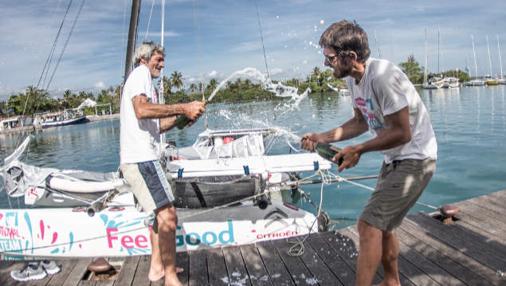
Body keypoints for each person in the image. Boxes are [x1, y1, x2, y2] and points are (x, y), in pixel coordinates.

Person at [301, 20, 437, 286]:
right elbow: (360, 122)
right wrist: (322, 137)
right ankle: (391, 281)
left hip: (417, 158)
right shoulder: (354, 80)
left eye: (329, 58)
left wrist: (360, 149)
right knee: (383, 225)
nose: (325, 64)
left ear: (350, 57)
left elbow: (402, 132)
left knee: (368, 225)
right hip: (395, 159)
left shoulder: (383, 76)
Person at [120, 41, 205, 286]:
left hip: (142, 157)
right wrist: (183, 106)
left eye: (163, 60)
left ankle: (157, 268)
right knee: (168, 216)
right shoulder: (140, 74)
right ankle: (170, 278)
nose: (162, 64)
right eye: (158, 59)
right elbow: (141, 110)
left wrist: (182, 118)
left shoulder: (145, 82)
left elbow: (156, 125)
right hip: (141, 158)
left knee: (158, 217)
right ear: (144, 59)